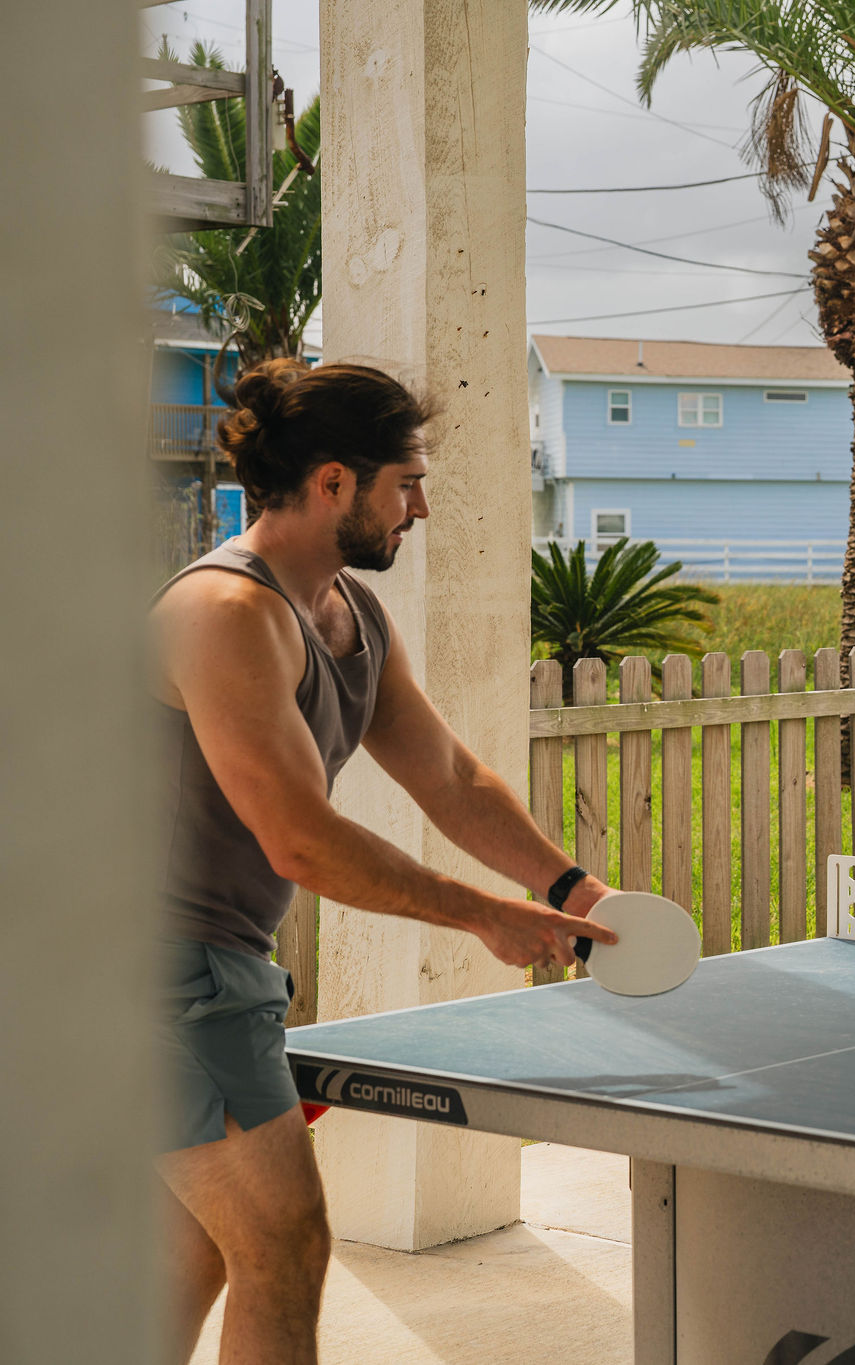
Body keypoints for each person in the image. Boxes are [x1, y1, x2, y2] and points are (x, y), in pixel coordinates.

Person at [149, 358, 621, 1364]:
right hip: (152, 972)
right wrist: (483, 915)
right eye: (405, 481)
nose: (419, 508)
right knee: (283, 1241)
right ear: (332, 482)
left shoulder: (350, 615)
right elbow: (300, 839)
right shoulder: (224, 616)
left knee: (190, 1253)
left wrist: (569, 888)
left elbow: (448, 774)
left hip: (208, 966)